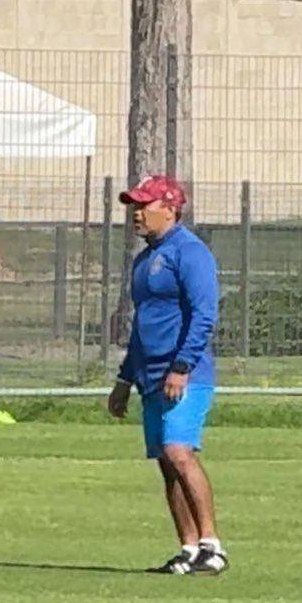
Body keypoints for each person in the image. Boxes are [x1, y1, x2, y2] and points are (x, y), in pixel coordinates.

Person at [107, 176, 229, 575]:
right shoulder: (144, 261)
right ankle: (188, 548)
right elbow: (142, 326)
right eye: (133, 206)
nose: (136, 214)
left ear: (170, 208)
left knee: (180, 452)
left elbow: (204, 314)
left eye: (144, 205)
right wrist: (125, 380)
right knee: (165, 461)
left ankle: (213, 545)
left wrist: (181, 367)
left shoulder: (190, 253)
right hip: (150, 376)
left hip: (184, 375)